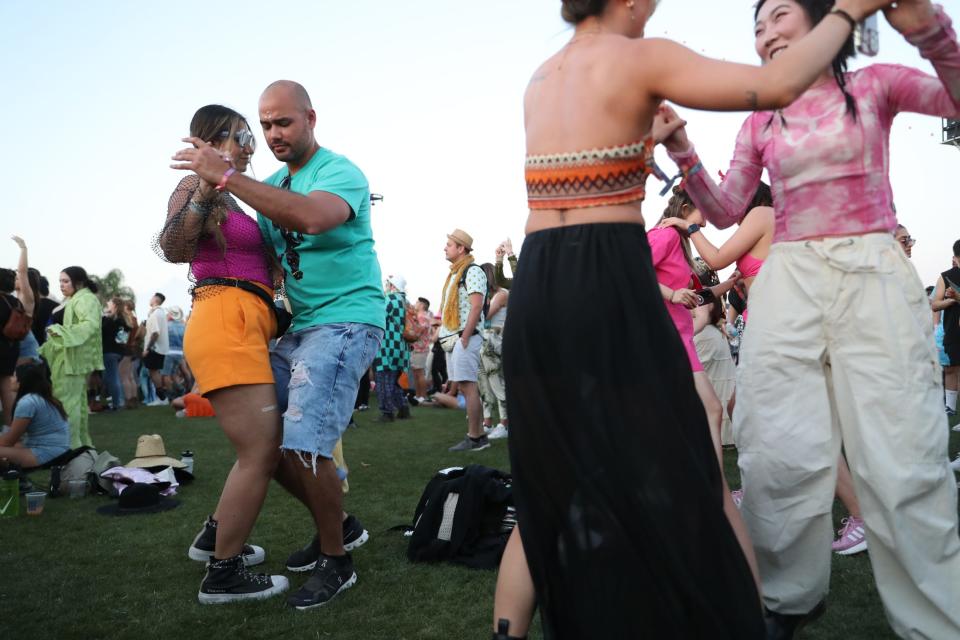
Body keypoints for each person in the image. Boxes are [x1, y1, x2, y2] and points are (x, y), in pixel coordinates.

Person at [498, 0, 893, 637]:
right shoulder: (640, 56)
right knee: (695, 465)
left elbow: (592, 162)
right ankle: (744, 621)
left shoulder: (543, 75)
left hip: (540, 278)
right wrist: (848, 10)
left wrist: (659, 143)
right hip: (607, 275)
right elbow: (779, 86)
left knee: (550, 482)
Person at [655, 1, 960, 634]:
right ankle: (786, 598)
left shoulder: (874, 85)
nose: (765, 33)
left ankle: (936, 621)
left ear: (825, 20)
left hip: (871, 270)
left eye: (779, 16)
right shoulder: (761, 118)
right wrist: (684, 150)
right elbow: (724, 207)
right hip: (789, 280)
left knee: (901, 455)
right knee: (776, 450)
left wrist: (927, 28)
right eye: (756, 26)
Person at [172, 80, 385, 611]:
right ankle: (334, 526)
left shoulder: (340, 172)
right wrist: (202, 194)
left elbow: (310, 217)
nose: (272, 134)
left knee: (301, 440)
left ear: (311, 118)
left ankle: (337, 560)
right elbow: (211, 240)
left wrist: (226, 175)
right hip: (298, 328)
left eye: (282, 122)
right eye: (264, 125)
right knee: (267, 439)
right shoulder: (263, 184)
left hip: (344, 322)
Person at [161, 103, 289, 603]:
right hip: (222, 317)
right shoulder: (200, 185)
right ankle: (224, 573)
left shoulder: (238, 195)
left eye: (249, 137)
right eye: (242, 136)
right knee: (260, 450)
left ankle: (214, 537)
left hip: (247, 320)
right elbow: (173, 247)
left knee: (259, 447)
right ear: (214, 139)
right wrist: (203, 187)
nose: (250, 145)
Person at [648, 189, 760, 587]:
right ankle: (711, 488)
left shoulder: (679, 243)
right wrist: (670, 293)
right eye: (702, 212)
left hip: (681, 337)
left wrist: (731, 280)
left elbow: (698, 294)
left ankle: (704, 487)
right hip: (665, 338)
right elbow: (632, 269)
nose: (708, 219)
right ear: (683, 210)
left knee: (700, 413)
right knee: (706, 411)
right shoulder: (663, 236)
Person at [38, 267, 102, 449]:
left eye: (65, 281)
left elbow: (90, 325)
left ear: (79, 282)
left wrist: (60, 332)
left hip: (72, 360)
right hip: (65, 358)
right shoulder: (75, 299)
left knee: (69, 404)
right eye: (60, 281)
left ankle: (70, 446)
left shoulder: (85, 299)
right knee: (76, 404)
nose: (61, 285)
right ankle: (79, 445)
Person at [438, 229, 489, 452]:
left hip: (467, 337)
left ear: (461, 249)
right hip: (460, 338)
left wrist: (465, 337)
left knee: (469, 388)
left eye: (449, 244)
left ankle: (475, 437)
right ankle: (479, 436)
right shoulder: (455, 273)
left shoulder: (472, 271)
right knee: (467, 388)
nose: (445, 248)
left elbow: (477, 306)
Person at [0, 363, 70, 467]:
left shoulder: (27, 402)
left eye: (14, 376)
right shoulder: (41, 397)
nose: (11, 379)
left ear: (21, 381)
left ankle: (13, 475)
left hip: (47, 453)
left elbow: (8, 441)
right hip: (60, 450)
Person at [1, 237, 34, 427]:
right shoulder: (18, 302)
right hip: (11, 348)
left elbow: (22, 272)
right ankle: (9, 431)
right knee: (8, 390)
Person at [374, 275, 411, 422]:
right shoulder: (405, 302)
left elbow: (378, 316)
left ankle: (387, 412)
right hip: (400, 348)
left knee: (383, 381)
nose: (386, 286)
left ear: (393, 286)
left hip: (386, 347)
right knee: (394, 381)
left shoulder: (390, 299)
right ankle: (403, 407)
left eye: (388, 283)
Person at [479, 263, 509, 439]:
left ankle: (505, 424)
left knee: (497, 382)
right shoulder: (492, 296)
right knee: (484, 383)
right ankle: (487, 422)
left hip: (494, 341)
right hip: (485, 341)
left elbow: (485, 315)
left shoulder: (501, 295)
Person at [933, 239, 960, 417]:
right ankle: (950, 407)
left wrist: (957, 296)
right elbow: (935, 305)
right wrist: (950, 300)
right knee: (951, 367)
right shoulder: (945, 276)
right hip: (952, 331)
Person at [100, 298, 131, 411]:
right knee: (113, 377)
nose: (107, 304)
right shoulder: (124, 321)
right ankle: (118, 402)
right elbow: (123, 339)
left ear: (114, 306)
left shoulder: (109, 320)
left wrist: (104, 317)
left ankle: (117, 403)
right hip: (118, 352)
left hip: (109, 351)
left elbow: (101, 331)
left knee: (112, 378)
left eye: (109, 302)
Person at [142, 293, 169, 404]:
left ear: (155, 299)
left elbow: (155, 333)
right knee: (155, 372)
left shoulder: (156, 314)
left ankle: (161, 398)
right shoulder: (160, 313)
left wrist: (147, 348)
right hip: (159, 347)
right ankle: (162, 397)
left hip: (155, 348)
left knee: (154, 372)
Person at [410, 297, 433, 403]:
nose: (415, 304)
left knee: (419, 373)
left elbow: (418, 331)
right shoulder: (421, 316)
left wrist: (409, 333)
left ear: (422, 305)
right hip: (417, 348)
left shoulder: (422, 316)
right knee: (416, 373)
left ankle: (422, 396)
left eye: (417, 302)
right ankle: (418, 395)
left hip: (420, 349)